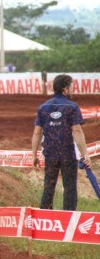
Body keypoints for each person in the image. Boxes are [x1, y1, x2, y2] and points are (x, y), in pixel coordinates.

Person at [31, 74, 92, 211]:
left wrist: (34, 154)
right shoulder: (72, 107)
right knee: (69, 187)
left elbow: (37, 132)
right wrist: (86, 154)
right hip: (68, 154)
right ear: (65, 89)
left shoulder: (43, 107)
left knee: (49, 186)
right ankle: (68, 219)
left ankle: (45, 218)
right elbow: (77, 130)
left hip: (50, 153)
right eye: (72, 87)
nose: (73, 90)